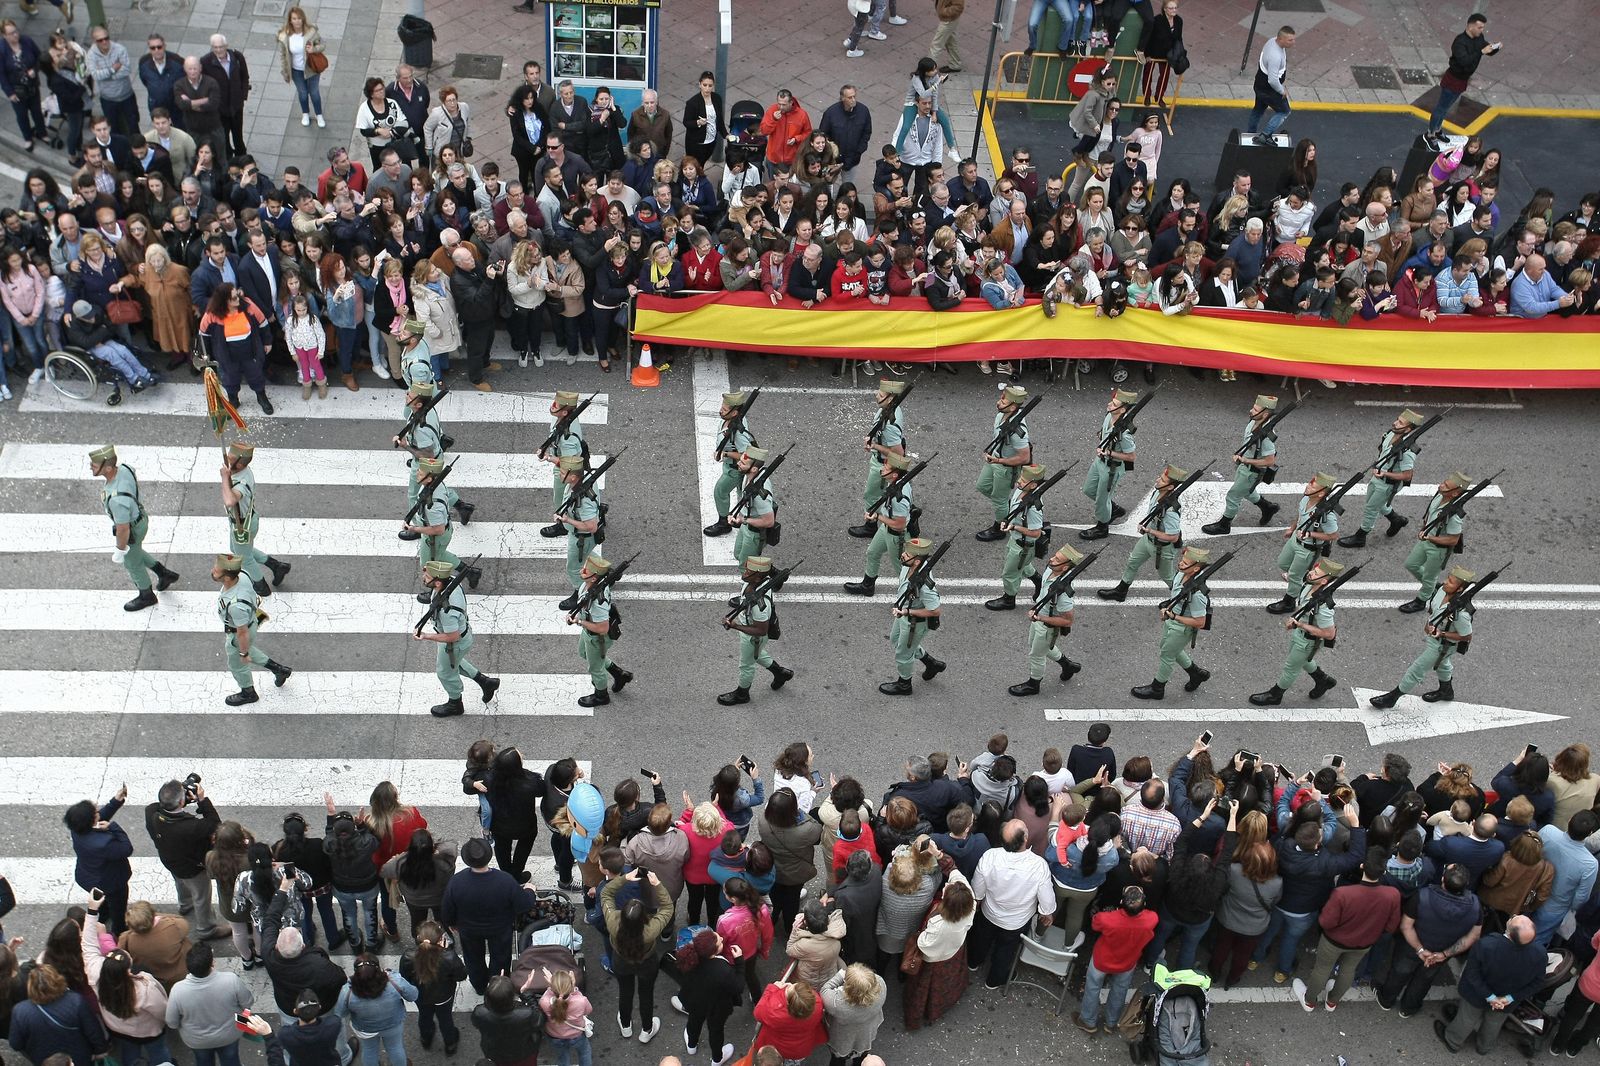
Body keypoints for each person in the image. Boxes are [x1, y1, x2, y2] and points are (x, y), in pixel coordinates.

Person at [1295, 847, 1400, 1012]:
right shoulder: (1392, 894)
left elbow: (1326, 921)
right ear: (1384, 870)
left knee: (1322, 968)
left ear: (1362, 866)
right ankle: (1332, 1001)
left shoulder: (1343, 893)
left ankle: (1309, 1001)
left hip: (1334, 941)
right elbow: (1391, 926)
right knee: (1348, 970)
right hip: (1364, 943)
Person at [1368, 565, 1478, 708]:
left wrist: (1442, 633)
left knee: (1417, 669)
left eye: (1450, 582)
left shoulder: (1461, 614)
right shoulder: (1441, 591)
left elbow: (1467, 637)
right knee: (1442, 664)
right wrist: (1429, 624)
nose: (1445, 582)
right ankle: (1446, 690)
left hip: (1443, 645)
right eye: (1447, 579)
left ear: (1460, 589)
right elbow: (1434, 610)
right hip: (1434, 639)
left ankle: (1392, 698)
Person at [1435, 915, 1544, 1054]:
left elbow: (1472, 974)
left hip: (1477, 994)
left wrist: (1490, 997)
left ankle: (1453, 1041)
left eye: (1514, 919)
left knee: (1467, 1018)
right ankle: (1484, 1047)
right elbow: (1537, 982)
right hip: (1507, 1000)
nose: (1514, 916)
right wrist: (1509, 998)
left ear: (1510, 933)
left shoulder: (1487, 945)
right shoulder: (1540, 954)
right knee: (1494, 1022)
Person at [1249, 558, 1344, 707]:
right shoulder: (1308, 586)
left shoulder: (1324, 608)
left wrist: (1299, 624)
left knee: (1291, 668)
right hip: (1299, 634)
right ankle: (1322, 680)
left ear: (1324, 582)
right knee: (1302, 661)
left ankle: (1275, 695)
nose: (1311, 573)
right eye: (1314, 570)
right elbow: (1304, 609)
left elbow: (1329, 634)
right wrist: (1296, 621)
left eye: (1316, 573)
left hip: (1308, 641)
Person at [440, 837, 526, 995]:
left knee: (473, 958)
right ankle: (498, 986)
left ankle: (479, 985)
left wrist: (451, 923)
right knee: (500, 957)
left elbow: (446, 909)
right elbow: (523, 904)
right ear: (489, 856)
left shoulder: (457, 882)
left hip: (469, 929)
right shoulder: (505, 880)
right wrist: (530, 891)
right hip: (500, 928)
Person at [600, 868, 674, 1043]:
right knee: (646, 994)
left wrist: (624, 878)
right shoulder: (650, 930)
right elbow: (667, 907)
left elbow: (606, 895)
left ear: (622, 916)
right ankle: (646, 1029)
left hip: (620, 962)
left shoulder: (613, 923)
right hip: (647, 963)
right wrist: (657, 884)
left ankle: (626, 1026)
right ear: (644, 918)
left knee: (625, 992)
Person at [1131, 545, 1213, 701]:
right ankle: (1195, 673)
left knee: (1167, 656)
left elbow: (1200, 622)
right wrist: (1167, 607)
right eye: (1182, 560)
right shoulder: (1181, 575)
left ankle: (1157, 688)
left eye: (1185, 562)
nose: (1181, 563)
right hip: (1172, 620)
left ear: (1195, 570)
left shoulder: (1197, 595)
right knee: (1167, 648)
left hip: (1182, 628)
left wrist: (1174, 616)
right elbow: (1176, 597)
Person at [144, 775, 221, 940]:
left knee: (180, 882)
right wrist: (201, 800)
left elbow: (161, 805)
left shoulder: (151, 812)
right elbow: (214, 823)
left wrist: (180, 799)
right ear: (180, 803)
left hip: (170, 861)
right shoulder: (191, 827)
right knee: (201, 896)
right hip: (192, 867)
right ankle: (206, 929)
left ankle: (185, 905)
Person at [211, 552, 293, 706]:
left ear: (227, 578)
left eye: (216, 570)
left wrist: (243, 653)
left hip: (239, 631)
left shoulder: (235, 606)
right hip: (252, 619)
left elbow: (241, 633)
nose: (213, 570)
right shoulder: (242, 574)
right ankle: (279, 670)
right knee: (248, 650)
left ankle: (248, 693)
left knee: (237, 665)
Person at [719, 556, 794, 705]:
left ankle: (742, 694)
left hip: (753, 636)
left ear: (759, 576)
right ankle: (780, 673)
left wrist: (735, 626)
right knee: (756, 655)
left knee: (746, 665)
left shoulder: (760, 605)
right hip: (749, 630)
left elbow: (761, 630)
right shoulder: (756, 583)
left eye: (749, 571)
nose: (745, 573)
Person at [165, 942, 252, 1066]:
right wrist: (242, 1022)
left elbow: (172, 1022)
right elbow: (247, 1003)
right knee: (231, 1060)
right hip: (229, 1035)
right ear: (212, 963)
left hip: (197, 1041)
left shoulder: (178, 990)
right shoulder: (231, 980)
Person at [6, 964, 110, 1066]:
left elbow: (16, 1044)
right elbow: (93, 1031)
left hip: (45, 1060)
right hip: (79, 1057)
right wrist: (100, 1051)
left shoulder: (20, 1011)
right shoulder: (76, 1002)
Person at [63, 788, 133, 936]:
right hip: (111, 881)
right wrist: (113, 826)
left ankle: (102, 917)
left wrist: (115, 801)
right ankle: (119, 931)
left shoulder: (77, 829)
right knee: (118, 908)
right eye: (96, 812)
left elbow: (97, 818)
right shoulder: (103, 843)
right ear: (91, 820)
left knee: (102, 902)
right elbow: (126, 849)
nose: (98, 813)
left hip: (89, 877)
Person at [567, 553, 633, 709]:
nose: (582, 571)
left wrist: (579, 621)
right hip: (589, 633)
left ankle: (601, 695)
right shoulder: (590, 585)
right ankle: (617, 673)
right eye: (584, 567)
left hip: (597, 637)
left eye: (586, 570)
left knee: (595, 669)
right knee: (584, 653)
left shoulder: (598, 602)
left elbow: (603, 628)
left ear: (594, 578)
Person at [1424, 14, 1500, 149]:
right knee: (1441, 107)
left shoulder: (1479, 38)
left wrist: (1495, 48)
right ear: (1470, 26)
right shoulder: (1459, 42)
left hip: (1463, 79)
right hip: (1453, 78)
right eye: (1479, 27)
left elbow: (1485, 49)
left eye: (1482, 27)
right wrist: (1481, 52)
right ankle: (1430, 134)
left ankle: (1437, 130)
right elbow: (1464, 61)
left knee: (1446, 108)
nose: (1481, 30)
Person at [671, 928, 742, 1064]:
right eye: (719, 942)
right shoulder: (722, 969)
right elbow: (738, 987)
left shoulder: (690, 959)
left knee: (694, 1021)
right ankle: (717, 1059)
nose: (721, 938)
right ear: (713, 952)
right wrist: (739, 962)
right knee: (716, 1031)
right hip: (717, 1007)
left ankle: (691, 1045)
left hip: (695, 1001)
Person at [820, 963, 885, 1066]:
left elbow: (824, 990)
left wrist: (841, 975)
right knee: (861, 1057)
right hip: (865, 1035)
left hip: (842, 1039)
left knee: (838, 1061)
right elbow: (874, 978)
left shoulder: (837, 1004)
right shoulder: (881, 985)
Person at [471, 973, 542, 1066]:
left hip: (494, 1053)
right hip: (523, 1053)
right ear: (512, 996)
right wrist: (526, 994)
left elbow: (476, 1023)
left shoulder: (480, 1013)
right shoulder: (526, 1014)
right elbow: (539, 1019)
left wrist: (494, 990)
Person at [752, 981, 829, 1064]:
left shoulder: (775, 1013)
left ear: (788, 1003)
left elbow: (758, 1012)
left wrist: (772, 988)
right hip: (802, 1049)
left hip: (779, 1049)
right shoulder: (817, 1004)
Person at [200, 34, 250, 157]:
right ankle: (228, 160)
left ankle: (241, 157)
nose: (218, 50)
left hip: (236, 106)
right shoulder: (205, 61)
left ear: (226, 46)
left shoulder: (237, 57)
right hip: (219, 109)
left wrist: (242, 95)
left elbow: (245, 77)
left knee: (238, 135)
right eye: (215, 47)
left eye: (221, 47)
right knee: (223, 137)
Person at [274, 7, 324, 128]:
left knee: (314, 92)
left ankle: (319, 115)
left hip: (311, 68)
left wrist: (314, 49)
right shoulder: (284, 36)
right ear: (290, 20)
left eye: (299, 18)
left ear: (303, 19)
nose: (297, 21)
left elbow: (322, 45)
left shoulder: (310, 32)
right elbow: (283, 55)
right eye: (294, 19)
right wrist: (285, 70)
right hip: (296, 70)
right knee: (302, 93)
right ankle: (305, 113)